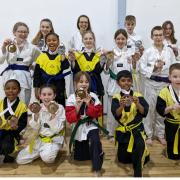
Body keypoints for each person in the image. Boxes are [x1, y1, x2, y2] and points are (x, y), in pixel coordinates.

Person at [139, 26, 176, 146]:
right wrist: (154, 67)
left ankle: (160, 134)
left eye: (160, 35)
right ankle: (148, 134)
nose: (158, 37)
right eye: (156, 35)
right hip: (151, 84)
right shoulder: (148, 52)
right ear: (152, 37)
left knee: (162, 111)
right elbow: (141, 68)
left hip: (165, 85)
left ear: (164, 36)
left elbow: (174, 66)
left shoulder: (169, 51)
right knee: (149, 109)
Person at [65, 71, 105, 177]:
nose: (84, 84)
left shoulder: (93, 96)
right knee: (80, 157)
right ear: (75, 83)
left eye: (86, 82)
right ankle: (90, 150)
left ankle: (97, 168)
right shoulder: (71, 98)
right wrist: (77, 107)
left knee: (95, 141)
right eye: (80, 81)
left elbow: (98, 113)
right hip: (79, 127)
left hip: (91, 124)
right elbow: (70, 119)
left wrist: (89, 103)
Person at [111, 70, 149, 177]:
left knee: (139, 149)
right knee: (123, 159)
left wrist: (138, 104)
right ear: (118, 83)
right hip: (124, 131)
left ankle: (138, 173)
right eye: (123, 80)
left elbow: (144, 112)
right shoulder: (116, 97)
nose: (126, 83)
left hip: (137, 130)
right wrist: (121, 106)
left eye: (128, 80)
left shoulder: (138, 96)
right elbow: (116, 115)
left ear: (132, 82)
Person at [16, 84, 65, 164]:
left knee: (48, 159)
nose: (46, 97)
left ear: (54, 96)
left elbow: (57, 129)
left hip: (52, 140)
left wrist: (53, 114)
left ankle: (49, 150)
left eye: (49, 94)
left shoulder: (59, 108)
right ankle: (42, 151)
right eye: (44, 94)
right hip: (39, 140)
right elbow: (35, 127)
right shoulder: (38, 107)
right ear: (40, 96)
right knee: (20, 159)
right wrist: (36, 114)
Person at [0, 22, 41, 105]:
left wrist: (32, 67)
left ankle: (22, 117)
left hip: (24, 77)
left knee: (23, 102)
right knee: (8, 102)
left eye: (25, 32)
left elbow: (41, 61)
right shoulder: (8, 45)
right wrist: (3, 47)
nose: (23, 34)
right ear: (14, 32)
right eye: (20, 31)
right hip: (10, 76)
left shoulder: (33, 48)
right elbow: (1, 60)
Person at [104, 29, 132, 140]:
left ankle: (125, 129)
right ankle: (110, 132)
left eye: (123, 38)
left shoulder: (130, 53)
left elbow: (134, 70)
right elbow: (106, 71)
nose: (120, 41)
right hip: (114, 84)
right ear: (115, 40)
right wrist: (109, 61)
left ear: (126, 40)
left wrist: (133, 62)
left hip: (127, 85)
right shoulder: (111, 53)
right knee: (112, 110)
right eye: (118, 38)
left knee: (126, 108)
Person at [33, 32, 70, 107]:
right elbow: (36, 75)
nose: (51, 42)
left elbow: (66, 69)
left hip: (59, 87)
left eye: (54, 40)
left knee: (59, 108)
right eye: (49, 41)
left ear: (58, 42)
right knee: (44, 108)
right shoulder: (41, 56)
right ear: (46, 43)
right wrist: (36, 89)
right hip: (44, 86)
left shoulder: (62, 56)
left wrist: (63, 58)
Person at [0, 79, 27, 163]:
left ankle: (10, 153)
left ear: (19, 90)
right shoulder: (1, 103)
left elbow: (23, 122)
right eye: (7, 88)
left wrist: (17, 127)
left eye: (14, 88)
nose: (10, 91)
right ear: (4, 90)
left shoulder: (22, 106)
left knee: (7, 147)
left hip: (12, 133)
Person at [156, 63, 180, 160]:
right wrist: (171, 107)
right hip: (171, 124)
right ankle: (171, 153)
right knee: (172, 148)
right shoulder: (164, 92)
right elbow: (160, 110)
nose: (178, 79)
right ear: (169, 77)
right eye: (175, 77)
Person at [124, 15, 143, 93]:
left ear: (135, 24)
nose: (130, 26)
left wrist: (141, 52)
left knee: (135, 91)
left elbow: (141, 54)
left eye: (132, 24)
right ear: (125, 24)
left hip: (135, 67)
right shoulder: (122, 36)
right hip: (125, 64)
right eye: (128, 24)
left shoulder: (139, 37)